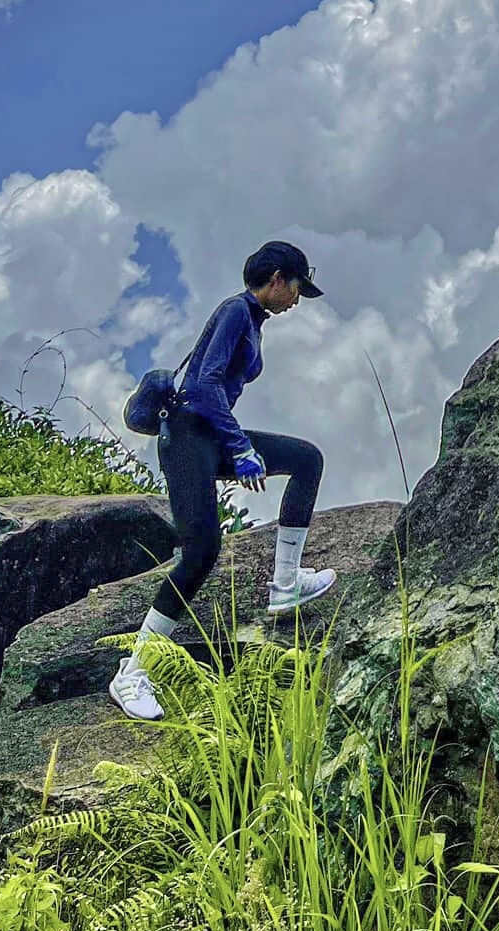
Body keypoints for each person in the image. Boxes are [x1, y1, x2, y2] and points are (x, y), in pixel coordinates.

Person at [109, 240, 335, 722]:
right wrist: (241, 447)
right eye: (296, 288)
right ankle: (132, 673)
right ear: (276, 279)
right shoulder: (236, 310)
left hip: (208, 435)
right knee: (201, 552)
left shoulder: (253, 321)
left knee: (306, 460)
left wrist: (234, 444)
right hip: (188, 437)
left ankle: (285, 583)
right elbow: (203, 385)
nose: (297, 299)